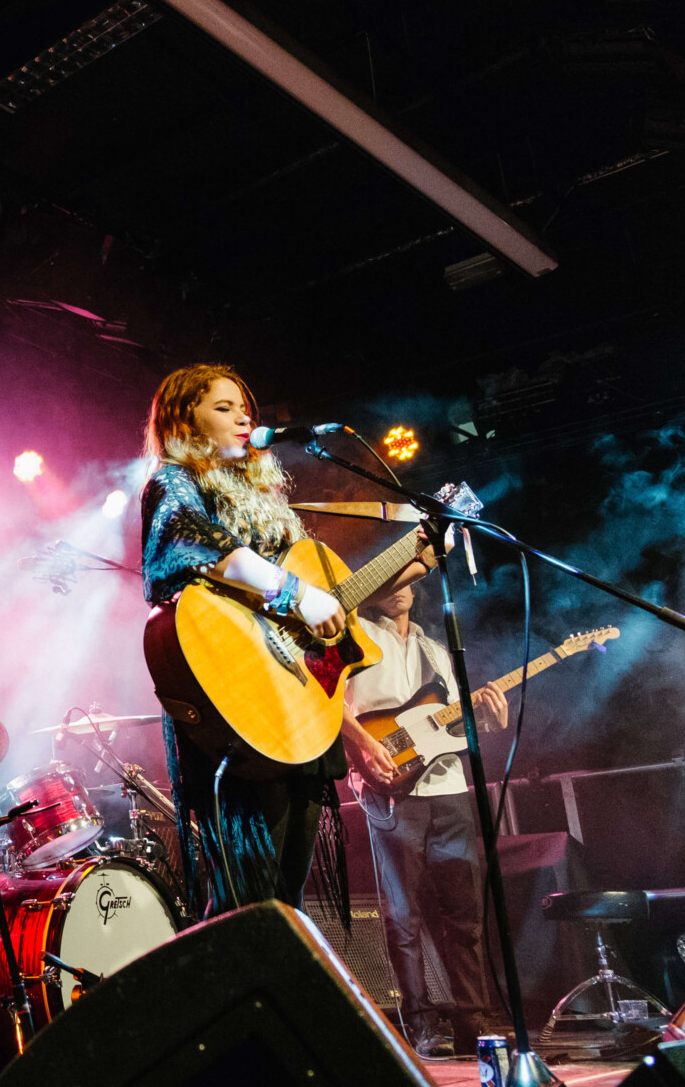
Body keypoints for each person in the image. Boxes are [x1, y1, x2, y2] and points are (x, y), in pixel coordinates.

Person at [140, 363, 348, 918]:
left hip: (293, 698)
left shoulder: (269, 502)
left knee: (287, 895)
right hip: (230, 702)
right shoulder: (174, 480)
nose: (242, 416)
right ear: (186, 419)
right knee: (246, 899)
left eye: (243, 406)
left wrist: (424, 550)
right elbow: (204, 546)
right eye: (223, 407)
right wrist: (295, 595)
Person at [341, 580, 507, 1058]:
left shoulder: (437, 649)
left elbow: (453, 724)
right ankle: (420, 1024)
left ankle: (474, 1019)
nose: (401, 589)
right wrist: (367, 747)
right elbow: (331, 705)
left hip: (450, 789)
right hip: (389, 788)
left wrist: (488, 722)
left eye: (409, 580)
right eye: (392, 581)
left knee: (466, 915)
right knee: (403, 916)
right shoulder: (357, 637)